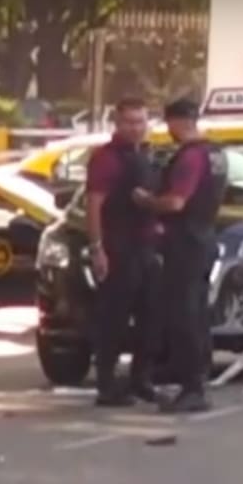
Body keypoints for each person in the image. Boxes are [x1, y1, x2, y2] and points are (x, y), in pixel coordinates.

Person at [133, 98, 228, 414]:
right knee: (197, 314)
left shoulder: (191, 157)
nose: (167, 129)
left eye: (168, 122)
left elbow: (175, 202)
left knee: (183, 315)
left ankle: (193, 387)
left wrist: (146, 200)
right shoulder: (216, 154)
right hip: (204, 238)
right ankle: (195, 377)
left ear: (178, 121)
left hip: (185, 242)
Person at [84, 97, 161, 407]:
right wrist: (97, 249)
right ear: (117, 123)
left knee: (151, 316)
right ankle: (107, 384)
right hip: (118, 245)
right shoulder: (106, 158)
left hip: (146, 246)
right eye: (130, 122)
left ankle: (141, 379)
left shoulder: (144, 155)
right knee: (114, 318)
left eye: (141, 121)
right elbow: (94, 204)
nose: (136, 128)